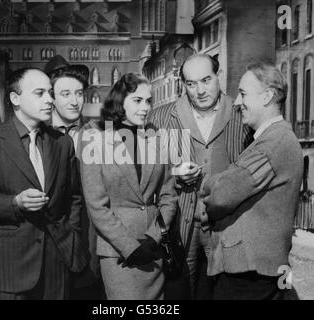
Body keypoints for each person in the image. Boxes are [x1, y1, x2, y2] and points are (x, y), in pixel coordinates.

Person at [0, 68, 88, 300]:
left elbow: (74, 197)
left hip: (56, 263)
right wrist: (14, 203)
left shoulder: (62, 143)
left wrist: (71, 235)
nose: (50, 99)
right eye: (40, 93)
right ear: (15, 99)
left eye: (50, 93)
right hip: (6, 269)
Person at [147, 54, 253, 299]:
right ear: (183, 84)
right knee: (180, 293)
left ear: (219, 76)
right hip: (181, 224)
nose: (199, 90)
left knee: (226, 292)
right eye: (191, 83)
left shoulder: (242, 114)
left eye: (206, 80)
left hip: (229, 225)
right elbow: (148, 173)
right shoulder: (161, 117)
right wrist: (174, 175)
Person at [201, 62, 303, 300]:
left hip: (248, 272)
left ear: (267, 96)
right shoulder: (272, 139)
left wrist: (206, 184)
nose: (237, 102)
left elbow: (221, 194)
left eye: (244, 94)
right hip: (255, 270)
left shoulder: (273, 143)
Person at [81, 73, 178, 300]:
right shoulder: (95, 140)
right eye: (137, 100)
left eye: (148, 101)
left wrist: (154, 238)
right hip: (118, 254)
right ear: (120, 101)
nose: (145, 107)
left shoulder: (157, 138)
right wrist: (130, 247)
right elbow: (96, 206)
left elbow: (168, 196)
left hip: (154, 249)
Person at [44, 55, 102, 299]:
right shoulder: (39, 135)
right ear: (52, 96)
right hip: (51, 237)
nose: (74, 101)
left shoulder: (98, 134)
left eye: (79, 94)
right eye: (65, 94)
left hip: (92, 234)